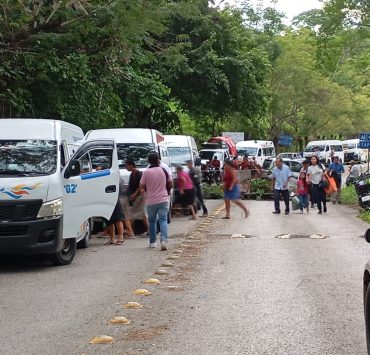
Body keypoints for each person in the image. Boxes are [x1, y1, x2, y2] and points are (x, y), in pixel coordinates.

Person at [140, 152, 173, 250]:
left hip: (151, 200)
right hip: (163, 199)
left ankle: (152, 242)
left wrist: (145, 194)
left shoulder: (146, 172)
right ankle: (163, 240)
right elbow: (170, 183)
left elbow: (141, 186)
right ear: (158, 160)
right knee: (163, 220)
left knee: (152, 221)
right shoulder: (163, 170)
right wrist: (166, 192)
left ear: (148, 161)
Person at [125, 158, 148, 234]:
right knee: (133, 214)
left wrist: (134, 194)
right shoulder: (132, 174)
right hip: (135, 196)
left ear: (131, 165)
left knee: (141, 214)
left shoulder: (138, 173)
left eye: (127, 166)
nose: (126, 168)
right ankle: (131, 231)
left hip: (140, 196)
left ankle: (131, 231)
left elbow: (140, 186)